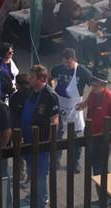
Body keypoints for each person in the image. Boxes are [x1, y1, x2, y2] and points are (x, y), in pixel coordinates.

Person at [79, 70, 111, 203]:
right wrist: (83, 104)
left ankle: (106, 200)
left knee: (99, 169)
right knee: (98, 168)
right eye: (93, 84)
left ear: (104, 85)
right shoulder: (94, 93)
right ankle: (108, 197)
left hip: (104, 141)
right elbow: (89, 103)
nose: (93, 87)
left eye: (96, 85)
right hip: (93, 137)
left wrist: (108, 142)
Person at [20, 65, 60, 208]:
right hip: (28, 140)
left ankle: (42, 201)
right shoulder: (32, 91)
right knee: (32, 170)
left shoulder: (50, 96)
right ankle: (33, 195)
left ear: (41, 79)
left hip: (41, 143)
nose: (29, 79)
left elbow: (54, 121)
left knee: (40, 174)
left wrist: (49, 143)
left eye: (32, 77)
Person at [51, 48, 93, 174]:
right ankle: (55, 161)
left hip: (75, 107)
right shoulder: (58, 69)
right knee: (57, 135)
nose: (66, 65)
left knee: (75, 137)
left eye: (69, 62)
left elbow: (95, 87)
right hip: (60, 105)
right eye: (64, 62)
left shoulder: (83, 72)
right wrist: (52, 87)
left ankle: (75, 163)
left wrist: (85, 103)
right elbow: (50, 78)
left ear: (74, 59)